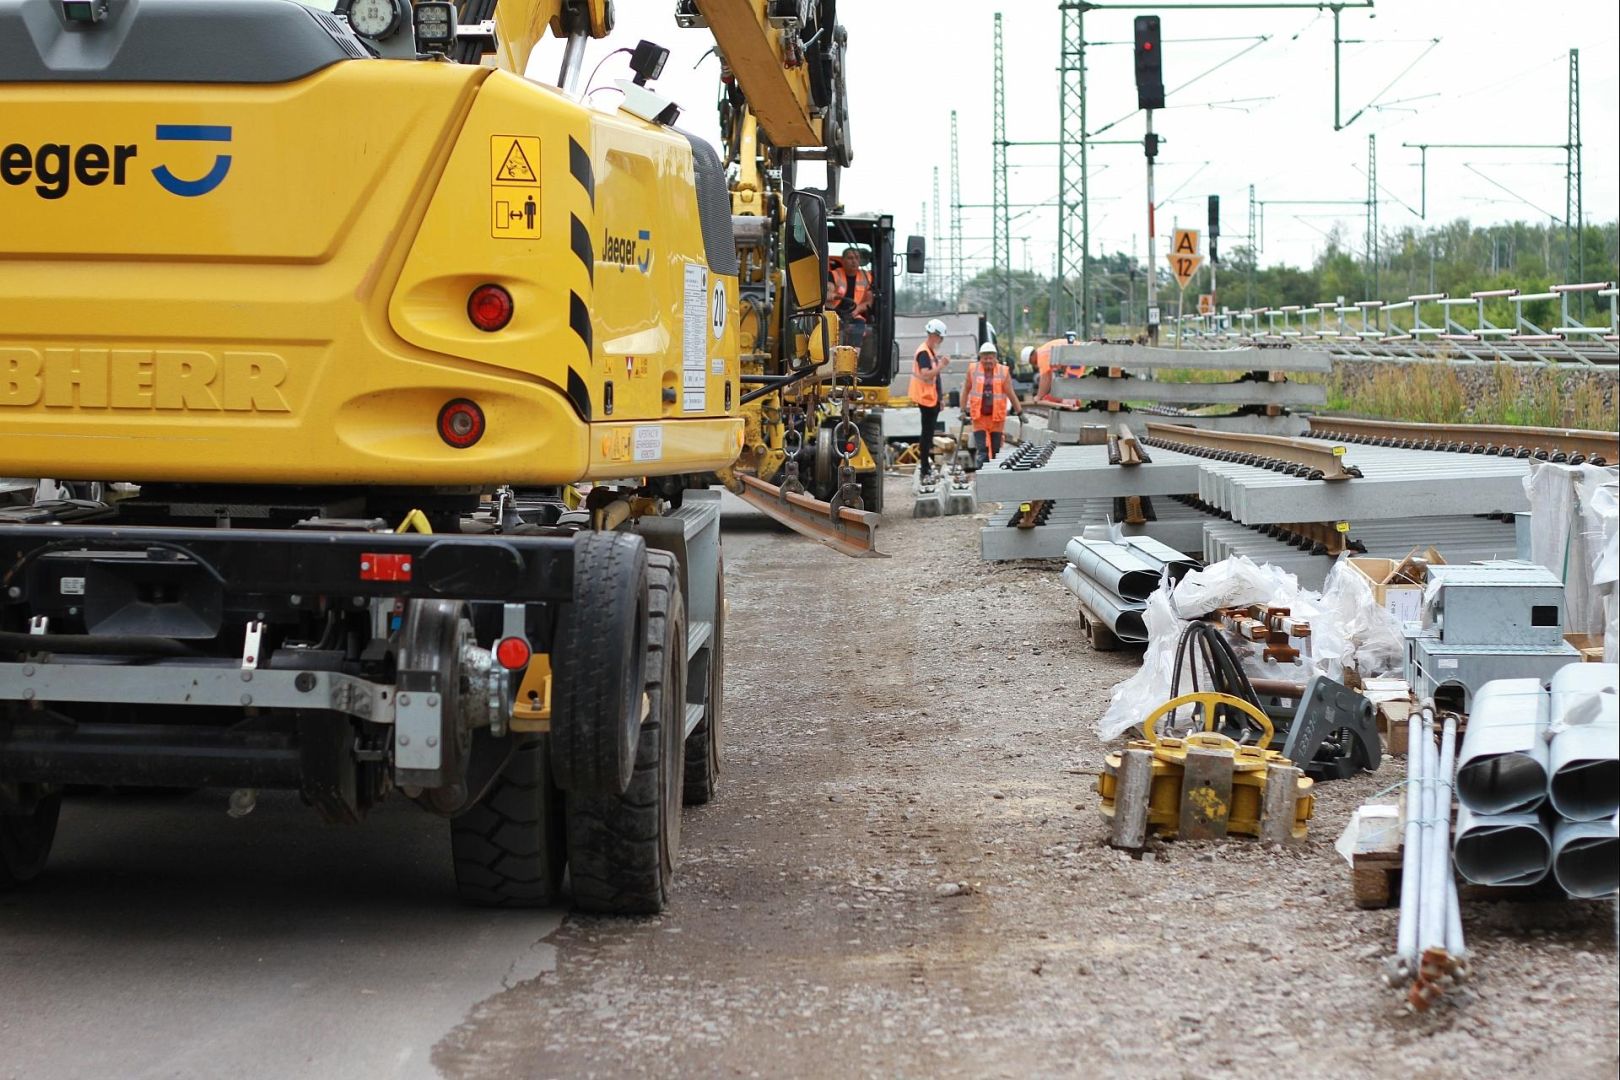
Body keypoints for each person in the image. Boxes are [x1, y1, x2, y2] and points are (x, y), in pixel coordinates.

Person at [964, 340, 1021, 468]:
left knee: (996, 452)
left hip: (997, 419)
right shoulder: (973, 370)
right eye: (985, 358)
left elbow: (1011, 393)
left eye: (990, 358)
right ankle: (982, 475)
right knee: (982, 451)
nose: (988, 361)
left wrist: (1020, 412)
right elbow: (965, 390)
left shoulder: (1003, 371)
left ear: (995, 358)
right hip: (979, 418)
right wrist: (962, 410)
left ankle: (994, 475)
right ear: (980, 358)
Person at [908, 318, 951, 480]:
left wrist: (940, 398)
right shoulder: (924, 352)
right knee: (926, 434)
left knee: (928, 433)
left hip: (931, 398)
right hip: (925, 399)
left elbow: (935, 378)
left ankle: (925, 466)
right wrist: (942, 365)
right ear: (934, 335)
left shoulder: (930, 351)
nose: (941, 341)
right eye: (941, 338)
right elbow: (926, 374)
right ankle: (925, 467)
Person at [825, 247, 875, 348]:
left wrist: (857, 309)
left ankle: (854, 355)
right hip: (833, 313)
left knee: (860, 325)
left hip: (853, 313)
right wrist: (833, 295)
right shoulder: (833, 274)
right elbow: (828, 291)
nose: (854, 261)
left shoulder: (867, 277)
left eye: (857, 258)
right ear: (843, 260)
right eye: (850, 258)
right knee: (829, 332)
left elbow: (869, 302)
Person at [1033, 329, 1088, 403]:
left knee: (1069, 387)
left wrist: (1039, 397)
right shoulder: (1043, 350)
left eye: (1032, 362)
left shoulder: (1041, 356)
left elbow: (1046, 378)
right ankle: (1073, 402)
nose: (1034, 365)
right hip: (1078, 351)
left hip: (1075, 354)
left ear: (1031, 356)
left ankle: (1072, 404)